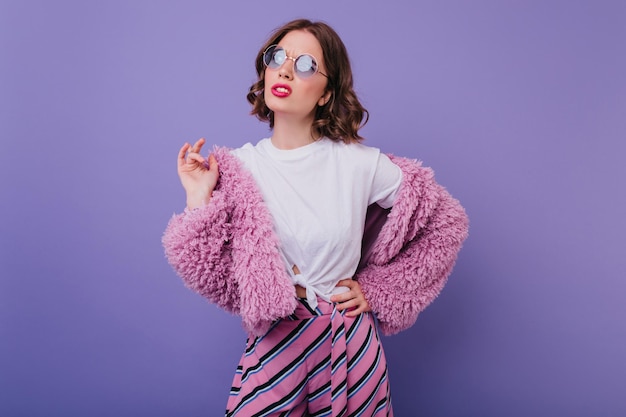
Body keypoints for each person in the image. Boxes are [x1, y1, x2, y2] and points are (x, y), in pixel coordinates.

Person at [163, 18, 468, 416]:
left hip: (349, 342)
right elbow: (212, 272)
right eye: (278, 58)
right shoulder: (236, 169)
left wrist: (380, 290)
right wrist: (198, 197)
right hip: (278, 338)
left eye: (306, 64)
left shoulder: (361, 165)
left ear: (326, 93)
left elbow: (446, 223)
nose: (286, 70)